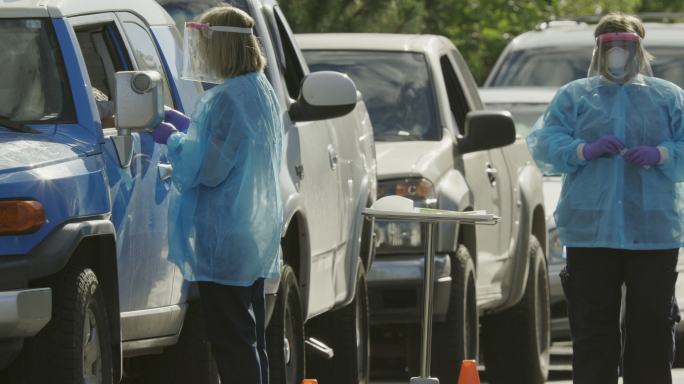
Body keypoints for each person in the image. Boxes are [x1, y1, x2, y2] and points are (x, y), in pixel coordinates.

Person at [527, 13, 684, 384]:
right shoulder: (575, 96)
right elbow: (544, 143)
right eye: (610, 45)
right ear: (598, 48)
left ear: (640, 48)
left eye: (626, 45)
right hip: (590, 230)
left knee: (650, 326)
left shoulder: (668, 97)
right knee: (593, 330)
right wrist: (583, 149)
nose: (618, 53)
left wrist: (661, 154)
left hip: (653, 231)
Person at [150, 6, 282, 383]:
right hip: (249, 234)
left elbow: (207, 169)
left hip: (223, 238)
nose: (201, 55)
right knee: (251, 337)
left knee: (231, 340)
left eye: (205, 44)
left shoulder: (225, 98)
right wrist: (192, 126)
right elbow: (234, 142)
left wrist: (172, 139)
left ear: (221, 46)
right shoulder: (259, 89)